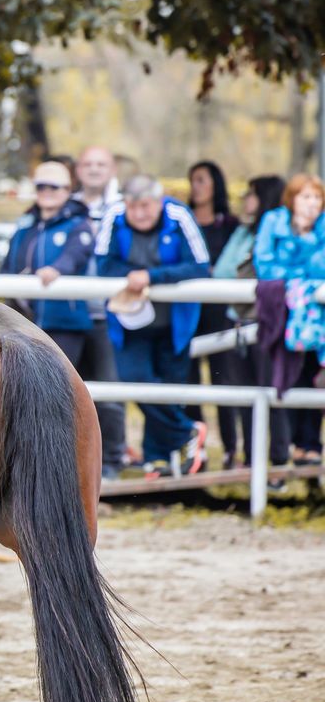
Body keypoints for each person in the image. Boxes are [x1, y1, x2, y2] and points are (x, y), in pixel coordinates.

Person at [0, 165, 123, 458]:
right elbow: (9, 264)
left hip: (65, 321)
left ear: (68, 191)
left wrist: (57, 270)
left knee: (61, 394)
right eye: (41, 186)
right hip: (26, 322)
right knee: (26, 395)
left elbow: (77, 253)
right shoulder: (26, 226)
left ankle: (93, 457)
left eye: (54, 187)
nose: (47, 193)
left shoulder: (78, 223)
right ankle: (29, 457)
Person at [96, 174, 210, 479]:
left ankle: (157, 459)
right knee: (136, 379)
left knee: (168, 390)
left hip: (175, 322)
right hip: (130, 321)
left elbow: (200, 265)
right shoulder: (114, 216)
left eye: (146, 205)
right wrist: (133, 274)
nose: (140, 213)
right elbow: (103, 264)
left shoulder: (178, 215)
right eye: (133, 206)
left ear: (159, 202)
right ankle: (186, 431)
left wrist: (151, 276)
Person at [211, 175, 285, 468]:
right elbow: (223, 272)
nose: (245, 200)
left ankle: (278, 461)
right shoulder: (244, 233)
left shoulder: (274, 236)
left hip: (266, 323)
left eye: (251, 194)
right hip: (238, 321)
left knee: (272, 393)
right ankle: (253, 458)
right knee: (243, 395)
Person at [253, 173, 325, 465]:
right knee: (286, 376)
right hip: (282, 315)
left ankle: (310, 444)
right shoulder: (273, 222)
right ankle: (288, 446)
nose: (312, 204)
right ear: (292, 199)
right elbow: (265, 263)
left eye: (317, 198)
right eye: (306, 197)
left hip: (317, 319)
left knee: (314, 376)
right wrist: (301, 281)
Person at [185, 160, 247, 464]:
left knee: (225, 381)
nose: (195, 186)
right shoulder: (184, 221)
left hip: (220, 314)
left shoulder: (230, 226)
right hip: (189, 314)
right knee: (190, 383)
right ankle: (197, 450)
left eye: (201, 180)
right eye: (192, 180)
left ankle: (231, 448)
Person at [73, 144, 128, 477]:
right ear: (79, 169)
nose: (94, 169)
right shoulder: (68, 206)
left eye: (101, 164)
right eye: (88, 163)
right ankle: (72, 466)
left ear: (112, 169)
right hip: (73, 311)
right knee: (64, 393)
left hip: (111, 313)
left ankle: (112, 461)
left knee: (110, 390)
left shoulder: (124, 208)